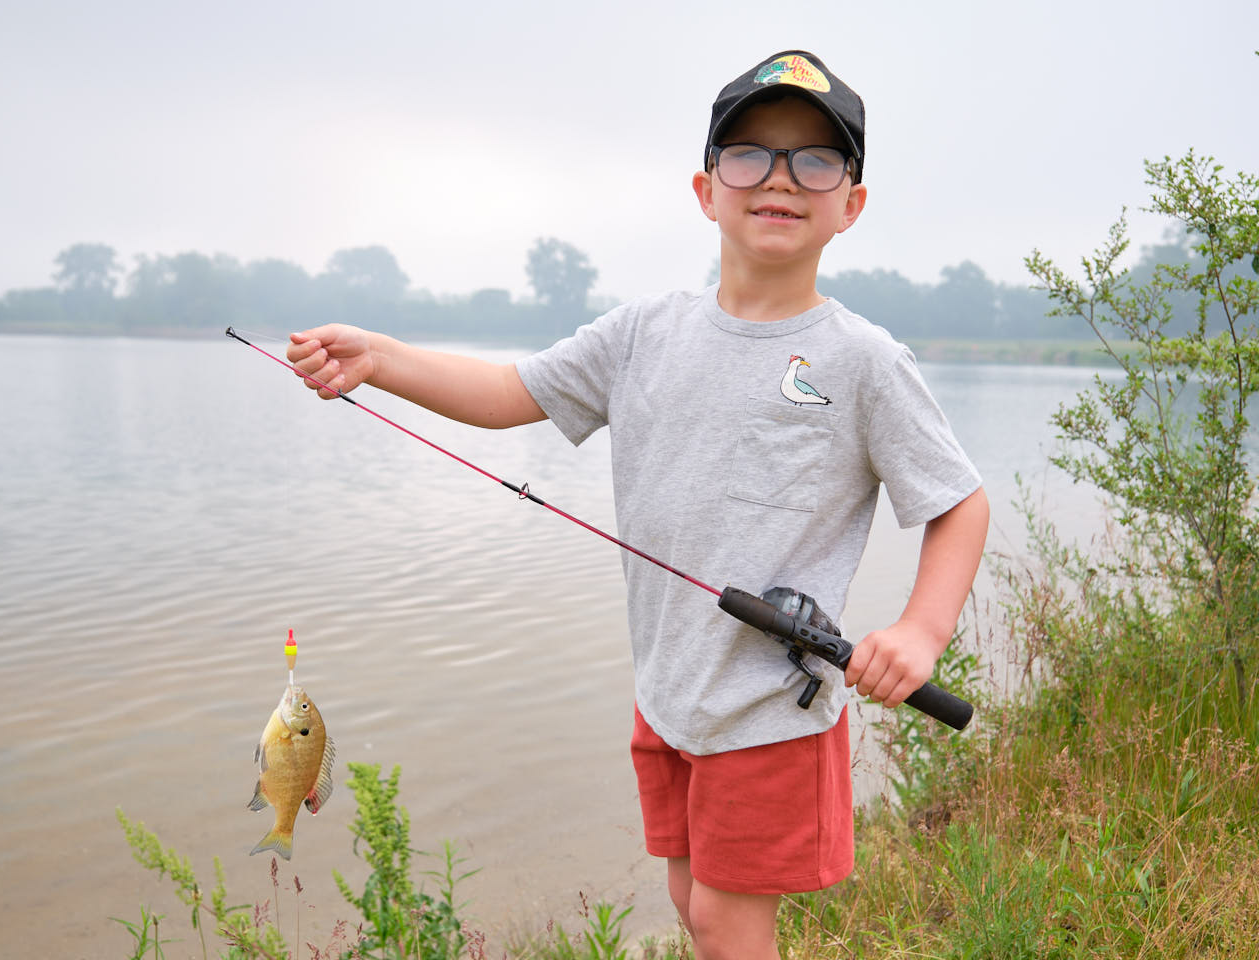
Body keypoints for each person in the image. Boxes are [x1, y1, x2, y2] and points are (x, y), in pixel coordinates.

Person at [287, 49, 989, 960]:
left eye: (816, 160)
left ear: (850, 203)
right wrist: (382, 360)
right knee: (693, 899)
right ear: (706, 189)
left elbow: (958, 502)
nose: (779, 178)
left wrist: (920, 632)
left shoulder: (863, 360)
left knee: (733, 923)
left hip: (768, 712)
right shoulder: (641, 333)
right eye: (750, 155)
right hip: (667, 698)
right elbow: (508, 392)